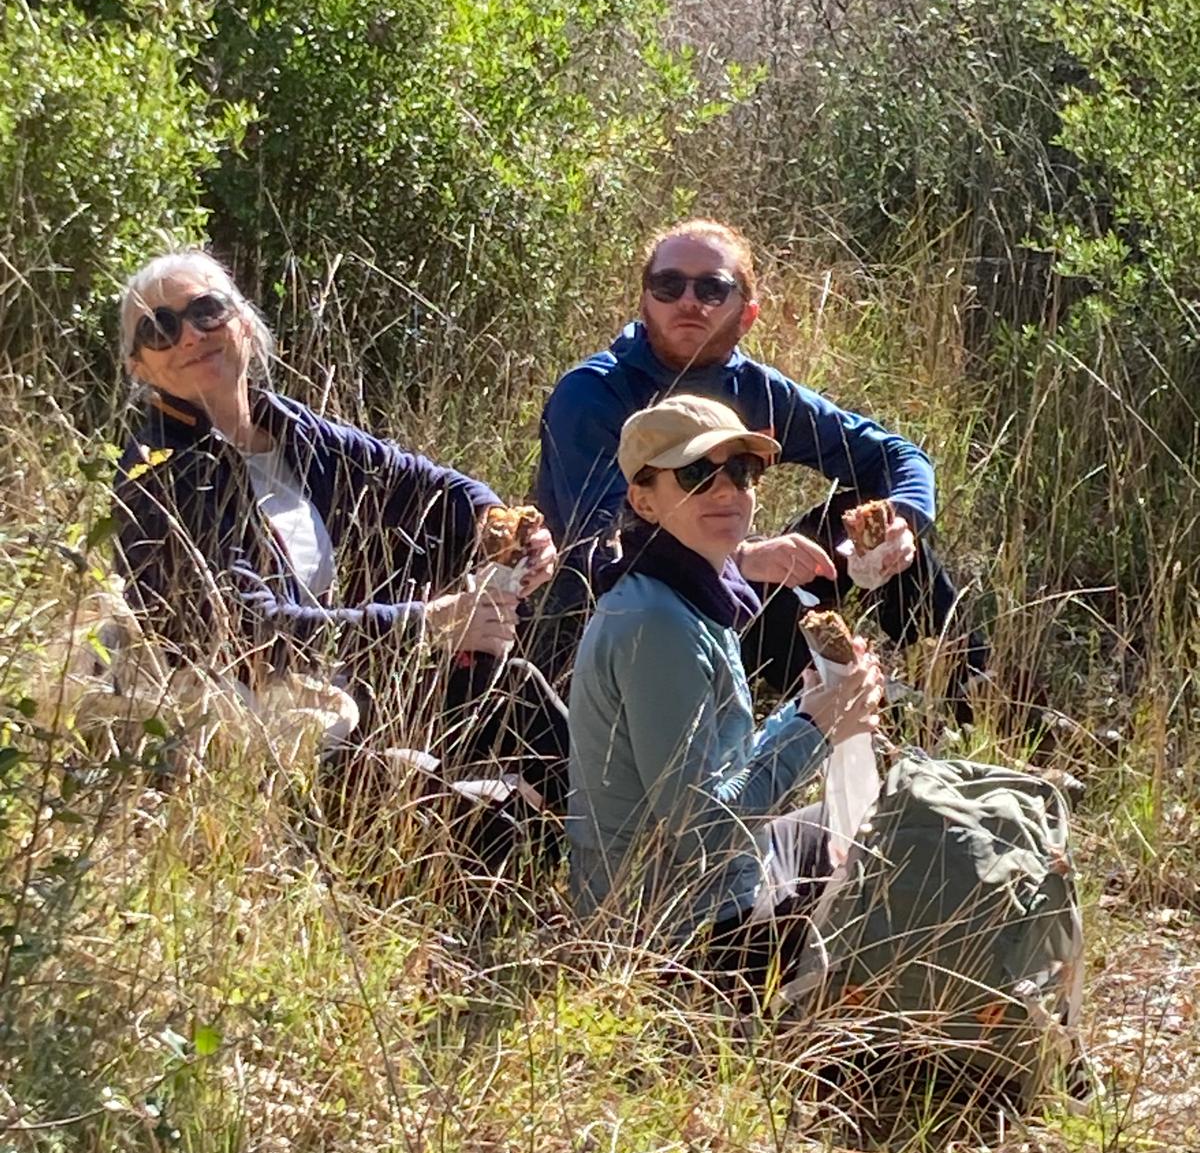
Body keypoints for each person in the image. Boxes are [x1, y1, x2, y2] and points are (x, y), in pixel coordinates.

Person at [111, 246, 570, 835]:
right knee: (501, 831)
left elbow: (425, 485)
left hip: (347, 687)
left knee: (519, 695)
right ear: (140, 367)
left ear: (243, 321)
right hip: (268, 740)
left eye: (206, 310)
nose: (191, 335)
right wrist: (427, 623)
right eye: (160, 329)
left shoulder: (286, 427)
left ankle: (640, 848)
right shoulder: (159, 473)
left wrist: (503, 528)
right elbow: (250, 633)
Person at [535, 218, 988, 703]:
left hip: (730, 596)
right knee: (755, 595)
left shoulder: (758, 390)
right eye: (668, 285)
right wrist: (744, 559)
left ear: (747, 314)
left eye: (712, 288)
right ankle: (852, 712)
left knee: (872, 513)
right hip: (620, 620)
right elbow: (601, 549)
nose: (688, 301)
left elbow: (894, 455)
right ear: (645, 301)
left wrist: (901, 523)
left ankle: (974, 694)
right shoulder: (594, 394)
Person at [568, 395, 882, 985]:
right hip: (676, 935)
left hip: (707, 890)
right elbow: (703, 832)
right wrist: (815, 727)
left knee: (873, 826)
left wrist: (809, 707)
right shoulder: (658, 624)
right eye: (695, 473)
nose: (726, 491)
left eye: (741, 471)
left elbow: (717, 772)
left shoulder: (684, 592)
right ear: (643, 500)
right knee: (897, 882)